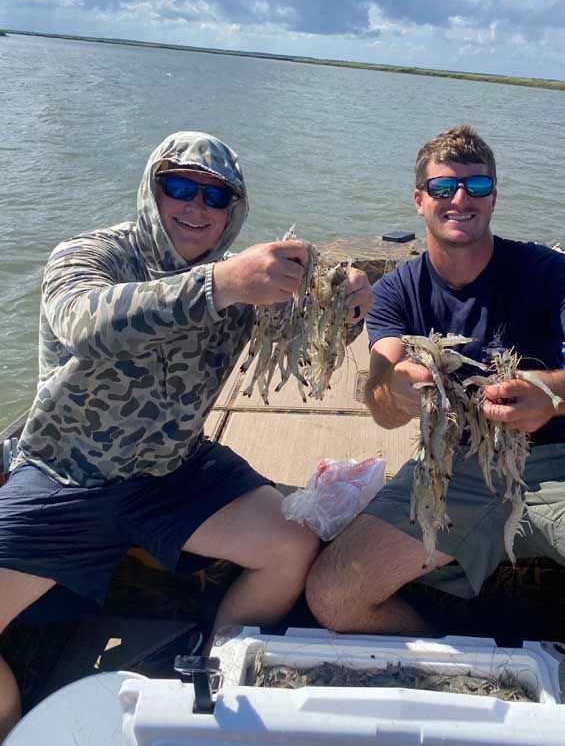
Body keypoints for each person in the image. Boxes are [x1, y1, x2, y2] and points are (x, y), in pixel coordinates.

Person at [0, 130, 371, 739]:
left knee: (291, 546)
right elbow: (84, 322)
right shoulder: (91, 254)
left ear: (233, 211)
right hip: (64, 475)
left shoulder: (246, 282)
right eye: (179, 187)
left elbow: (305, 346)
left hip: (173, 471)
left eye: (216, 196)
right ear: (152, 190)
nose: (196, 207)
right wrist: (221, 283)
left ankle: (220, 664)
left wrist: (343, 304)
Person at [306, 123, 565, 679]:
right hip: (452, 470)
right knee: (333, 595)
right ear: (419, 200)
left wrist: (551, 392)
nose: (460, 198)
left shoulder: (548, 272)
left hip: (564, 468)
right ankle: (461, 674)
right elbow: (381, 388)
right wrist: (397, 389)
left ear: (494, 197)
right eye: (443, 187)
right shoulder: (397, 291)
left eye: (476, 186)